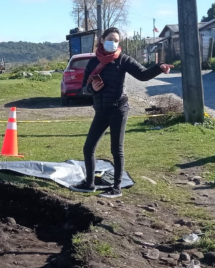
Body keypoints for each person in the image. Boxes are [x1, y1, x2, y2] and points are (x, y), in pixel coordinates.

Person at [69, 27, 171, 198]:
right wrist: (92, 88)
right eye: (110, 39)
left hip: (118, 109)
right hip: (101, 111)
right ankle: (89, 184)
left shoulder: (123, 60)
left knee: (116, 149)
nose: (113, 43)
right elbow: (84, 90)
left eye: (116, 41)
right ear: (102, 40)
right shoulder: (93, 62)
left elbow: (143, 75)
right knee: (88, 148)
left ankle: (116, 188)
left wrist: (159, 67)